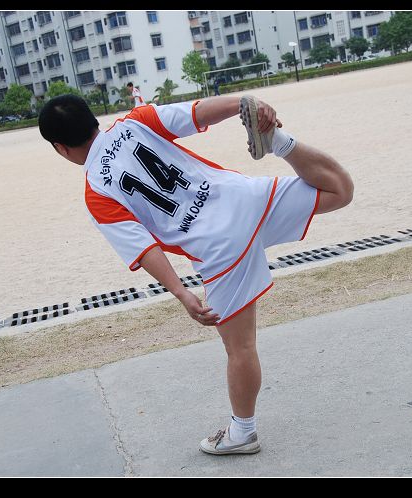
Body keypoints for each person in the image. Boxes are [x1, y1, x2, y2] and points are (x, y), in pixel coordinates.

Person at [38, 94, 353, 455]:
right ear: (93, 119)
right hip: (244, 198)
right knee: (339, 190)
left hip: (220, 248)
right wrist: (243, 103)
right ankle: (281, 144)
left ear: (61, 148)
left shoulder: (97, 191)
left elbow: (145, 249)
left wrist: (182, 292)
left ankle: (242, 433)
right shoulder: (137, 120)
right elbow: (199, 113)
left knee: (240, 347)